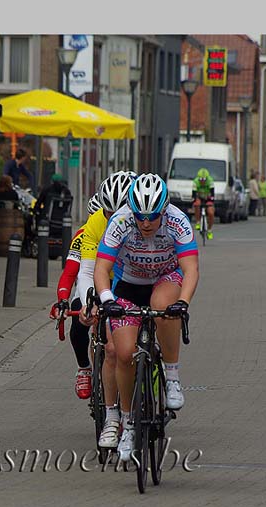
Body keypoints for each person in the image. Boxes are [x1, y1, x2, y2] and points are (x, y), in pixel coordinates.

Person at [91, 173, 199, 461]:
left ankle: (172, 377)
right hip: (128, 285)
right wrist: (107, 301)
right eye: (140, 216)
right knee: (123, 354)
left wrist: (183, 303)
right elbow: (101, 270)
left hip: (165, 278)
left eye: (153, 216)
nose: (146, 223)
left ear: (164, 210)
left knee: (164, 306)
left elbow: (191, 269)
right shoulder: (121, 221)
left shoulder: (177, 221)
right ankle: (127, 424)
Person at [75, 171, 135, 448]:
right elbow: (86, 270)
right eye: (107, 210)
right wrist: (89, 302)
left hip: (136, 277)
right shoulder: (96, 222)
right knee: (110, 348)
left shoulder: (144, 222)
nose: (112, 218)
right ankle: (113, 416)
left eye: (118, 211)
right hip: (106, 279)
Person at [49, 193, 102, 400]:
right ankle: (84, 368)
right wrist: (62, 299)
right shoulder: (83, 235)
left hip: (114, 286)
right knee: (78, 325)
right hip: (87, 288)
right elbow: (70, 273)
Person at [192, 167, 215, 240]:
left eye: (204, 180)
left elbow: (212, 194)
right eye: (201, 180)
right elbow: (194, 195)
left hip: (208, 198)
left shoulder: (210, 181)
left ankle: (209, 230)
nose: (202, 181)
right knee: (197, 204)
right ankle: (198, 222)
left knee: (211, 212)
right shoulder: (195, 181)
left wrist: (210, 201)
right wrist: (196, 200)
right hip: (199, 198)